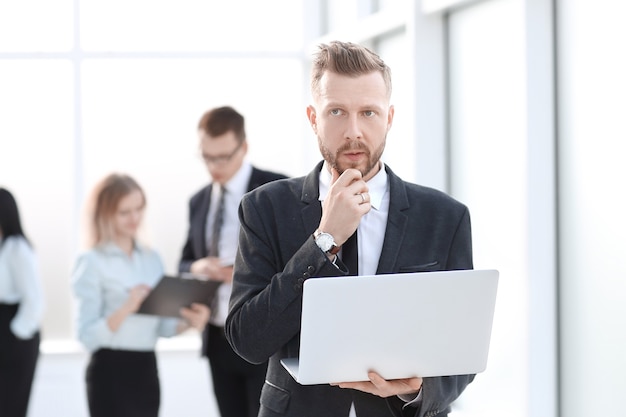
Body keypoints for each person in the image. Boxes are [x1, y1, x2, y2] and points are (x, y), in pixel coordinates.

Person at [225, 41, 475, 417]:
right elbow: (249, 340)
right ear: (313, 117)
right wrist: (323, 241)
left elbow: (461, 348)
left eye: (369, 112)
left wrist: (419, 388)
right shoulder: (265, 208)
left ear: (389, 118)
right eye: (337, 111)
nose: (353, 131)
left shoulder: (444, 217)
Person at [178, 106, 287, 417]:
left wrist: (244, 273)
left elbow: (299, 260)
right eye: (207, 156)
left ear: (244, 147)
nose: (214, 166)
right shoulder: (198, 200)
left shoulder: (276, 191)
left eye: (223, 157)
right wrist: (200, 268)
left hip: (262, 332)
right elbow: (184, 262)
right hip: (216, 335)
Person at [72, 173, 210, 417]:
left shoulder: (151, 258)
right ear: (105, 214)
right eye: (124, 212)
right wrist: (126, 308)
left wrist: (189, 321)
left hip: (146, 369)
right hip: (109, 372)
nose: (134, 218)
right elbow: (86, 336)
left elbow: (163, 328)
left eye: (138, 209)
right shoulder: (90, 262)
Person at [0, 188, 44, 417]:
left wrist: (13, 335)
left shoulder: (17, 249)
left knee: (9, 405)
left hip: (15, 335)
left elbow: (34, 300)